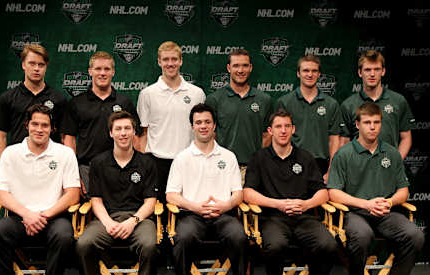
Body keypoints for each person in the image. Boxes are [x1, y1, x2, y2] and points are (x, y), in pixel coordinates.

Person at [0, 104, 80, 275]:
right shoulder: (11, 153)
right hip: (20, 218)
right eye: (35, 124)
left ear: (52, 129)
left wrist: (43, 215)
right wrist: (27, 214)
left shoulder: (64, 153)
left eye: (45, 125)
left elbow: (73, 194)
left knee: (65, 237)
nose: (39, 129)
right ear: (27, 125)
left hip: (53, 217)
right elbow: (1, 194)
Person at [328, 102, 424, 275]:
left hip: (385, 213)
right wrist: (366, 203)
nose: (372, 127)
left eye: (377, 122)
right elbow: (333, 193)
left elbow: (403, 191)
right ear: (357, 125)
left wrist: (389, 202)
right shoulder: (344, 154)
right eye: (368, 122)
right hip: (355, 213)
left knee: (415, 235)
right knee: (362, 236)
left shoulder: (391, 152)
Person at [243, 109, 337, 275]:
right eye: (278, 127)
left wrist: (305, 204)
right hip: (273, 218)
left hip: (304, 217)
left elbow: (323, 192)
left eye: (287, 126)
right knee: (275, 246)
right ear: (270, 130)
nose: (283, 131)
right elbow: (248, 193)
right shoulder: (259, 158)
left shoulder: (305, 156)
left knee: (328, 244)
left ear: (293, 129)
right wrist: (277, 204)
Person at [166, 103, 248, 275]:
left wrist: (224, 206)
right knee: (181, 239)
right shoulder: (182, 157)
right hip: (192, 215)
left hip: (223, 215)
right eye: (198, 122)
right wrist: (195, 207)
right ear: (192, 126)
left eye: (207, 122)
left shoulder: (228, 156)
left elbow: (238, 194)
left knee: (239, 236)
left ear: (214, 126)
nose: (203, 126)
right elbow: (171, 195)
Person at [75, 111, 160, 275]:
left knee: (149, 245)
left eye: (127, 129)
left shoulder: (147, 163)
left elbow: (151, 202)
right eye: (118, 129)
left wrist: (133, 222)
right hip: (107, 218)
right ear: (111, 133)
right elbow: (96, 200)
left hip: (138, 219)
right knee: (84, 243)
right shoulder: (98, 163)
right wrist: (108, 223)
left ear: (134, 133)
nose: (123, 133)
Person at [61, 51, 141, 197]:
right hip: (87, 169)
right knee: (88, 211)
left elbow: (135, 139)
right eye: (98, 69)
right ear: (90, 71)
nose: (102, 73)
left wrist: (135, 168)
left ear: (113, 72)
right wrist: (73, 175)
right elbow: (69, 141)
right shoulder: (76, 103)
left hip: (121, 168)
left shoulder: (124, 102)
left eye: (107, 69)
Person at [137, 41, 205, 202]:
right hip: (156, 162)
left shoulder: (197, 93)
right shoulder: (147, 94)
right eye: (166, 60)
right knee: (157, 211)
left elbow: (202, 131)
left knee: (186, 210)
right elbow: (142, 133)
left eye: (174, 59)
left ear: (181, 61)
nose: (170, 64)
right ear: (159, 62)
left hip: (188, 160)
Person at [0, 44, 66, 163]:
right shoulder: (8, 98)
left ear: (46, 67)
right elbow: (0, 135)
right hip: (18, 162)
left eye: (41, 64)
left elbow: (64, 137)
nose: (36, 68)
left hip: (50, 163)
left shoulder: (58, 99)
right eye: (32, 63)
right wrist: (3, 168)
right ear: (23, 65)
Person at [205, 48, 273, 180]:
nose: (240, 70)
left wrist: (256, 160)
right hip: (222, 167)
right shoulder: (214, 99)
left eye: (245, 65)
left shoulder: (264, 100)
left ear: (251, 68)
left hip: (254, 168)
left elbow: (267, 135)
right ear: (229, 68)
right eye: (236, 65)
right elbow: (210, 135)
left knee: (253, 201)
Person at [276, 55, 341, 181]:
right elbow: (278, 137)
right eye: (305, 70)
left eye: (314, 71)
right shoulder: (285, 102)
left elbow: (334, 140)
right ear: (298, 73)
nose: (310, 74)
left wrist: (331, 170)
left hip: (321, 165)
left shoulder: (331, 104)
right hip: (290, 162)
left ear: (319, 74)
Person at [340, 50, 415, 159]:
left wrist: (395, 162)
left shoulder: (398, 101)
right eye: (367, 70)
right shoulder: (348, 105)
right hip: (359, 170)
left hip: (389, 168)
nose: (372, 74)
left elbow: (406, 138)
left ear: (383, 71)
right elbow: (344, 142)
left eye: (377, 69)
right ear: (360, 73)